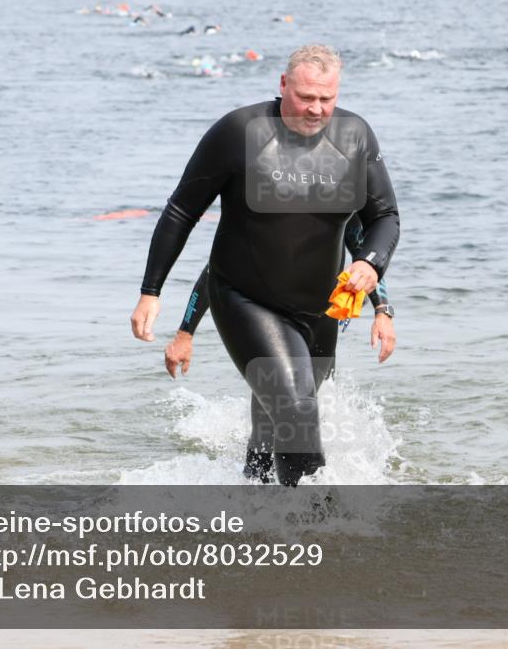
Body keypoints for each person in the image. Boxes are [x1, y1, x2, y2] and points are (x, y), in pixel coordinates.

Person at [130, 44, 400, 486]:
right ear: (282, 85)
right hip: (245, 297)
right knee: (295, 406)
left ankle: (253, 491)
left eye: (326, 100)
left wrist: (371, 267)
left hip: (321, 310)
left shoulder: (355, 136)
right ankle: (315, 523)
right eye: (306, 97)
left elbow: (383, 218)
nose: (316, 109)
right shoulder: (239, 132)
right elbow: (181, 210)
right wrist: (151, 291)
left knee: (285, 408)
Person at [163, 215, 397, 481]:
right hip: (269, 321)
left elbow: (365, 256)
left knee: (305, 405)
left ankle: (308, 497)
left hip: (321, 321)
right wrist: (185, 333)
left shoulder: (338, 202)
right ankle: (257, 484)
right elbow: (214, 271)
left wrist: (382, 310)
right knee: (273, 408)